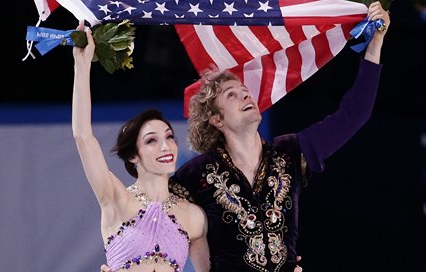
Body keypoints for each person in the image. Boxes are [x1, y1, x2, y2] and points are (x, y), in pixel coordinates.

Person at [102, 2, 390, 271]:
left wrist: (375, 46)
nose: (245, 95)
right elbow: (148, 215)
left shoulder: (291, 152)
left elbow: (354, 115)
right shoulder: (195, 175)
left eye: (245, 91)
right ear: (216, 119)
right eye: (232, 95)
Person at [72, 21, 210, 272]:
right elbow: (83, 136)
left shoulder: (194, 216)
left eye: (169, 137)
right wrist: (81, 66)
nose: (165, 146)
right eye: (151, 141)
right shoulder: (116, 198)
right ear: (134, 156)